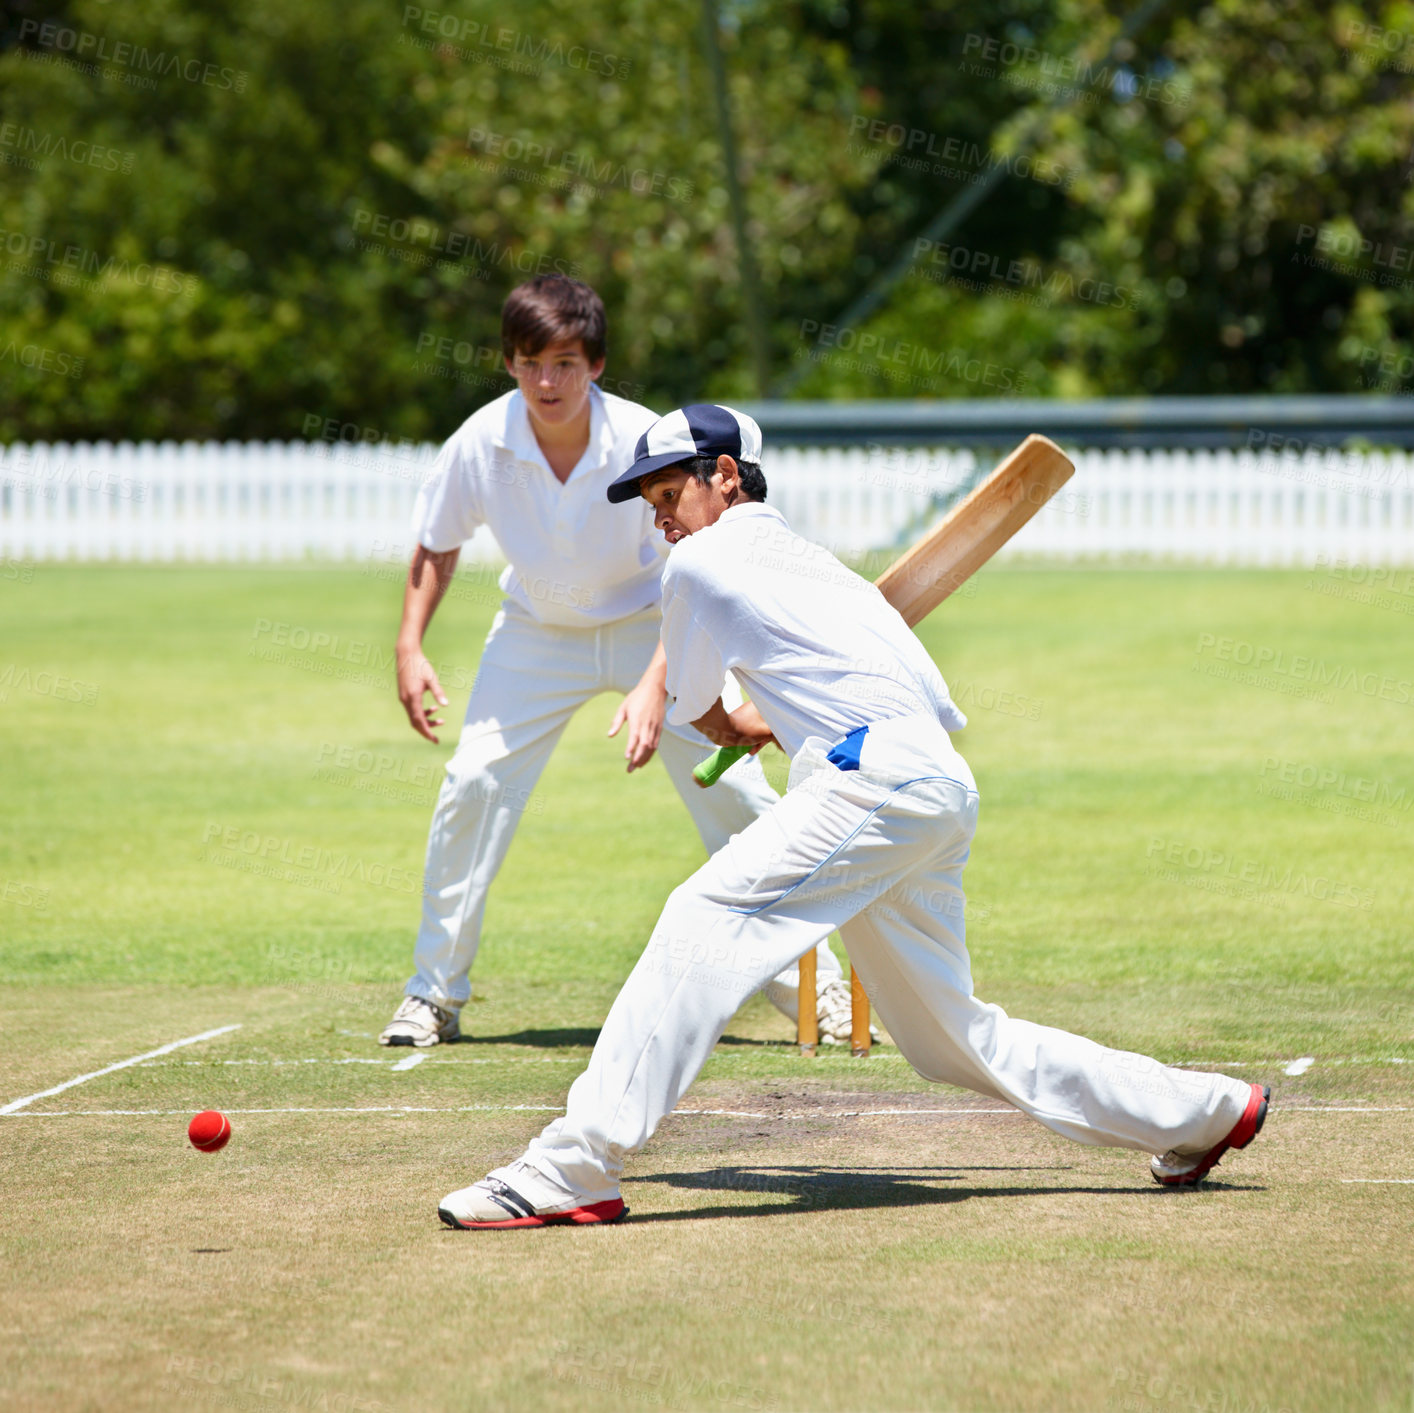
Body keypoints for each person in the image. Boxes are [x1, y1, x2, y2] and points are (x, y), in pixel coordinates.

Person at [436, 403, 1269, 1228]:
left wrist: (740, 724)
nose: (661, 525)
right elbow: (921, 697)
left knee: (704, 912)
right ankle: (1205, 1110)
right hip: (933, 784)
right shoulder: (820, 567)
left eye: (666, 499)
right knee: (953, 1038)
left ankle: (573, 1165)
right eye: (651, 509)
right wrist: (777, 723)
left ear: (723, 477)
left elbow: (695, 708)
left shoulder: (698, 564)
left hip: (867, 782)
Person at [379, 282, 851, 1048]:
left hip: (657, 621)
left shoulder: (641, 437)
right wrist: (408, 644)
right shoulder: (479, 440)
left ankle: (817, 991)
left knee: (735, 795)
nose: (547, 382)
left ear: (595, 363)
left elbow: (695, 557)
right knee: (473, 783)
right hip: (535, 631)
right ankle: (433, 994)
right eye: (531, 363)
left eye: (565, 363)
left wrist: (656, 682)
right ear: (508, 363)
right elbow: (438, 541)